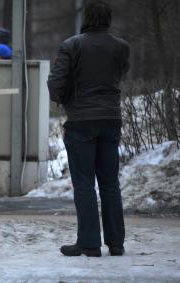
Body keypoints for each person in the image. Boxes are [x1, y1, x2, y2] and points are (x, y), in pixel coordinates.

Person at [47, 0, 130, 257]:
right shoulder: (121, 47)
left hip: (81, 121)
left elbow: (56, 84)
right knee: (110, 183)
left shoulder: (72, 45)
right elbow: (120, 74)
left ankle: (89, 243)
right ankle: (116, 244)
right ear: (108, 19)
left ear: (86, 18)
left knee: (84, 184)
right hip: (110, 119)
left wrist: (65, 99)